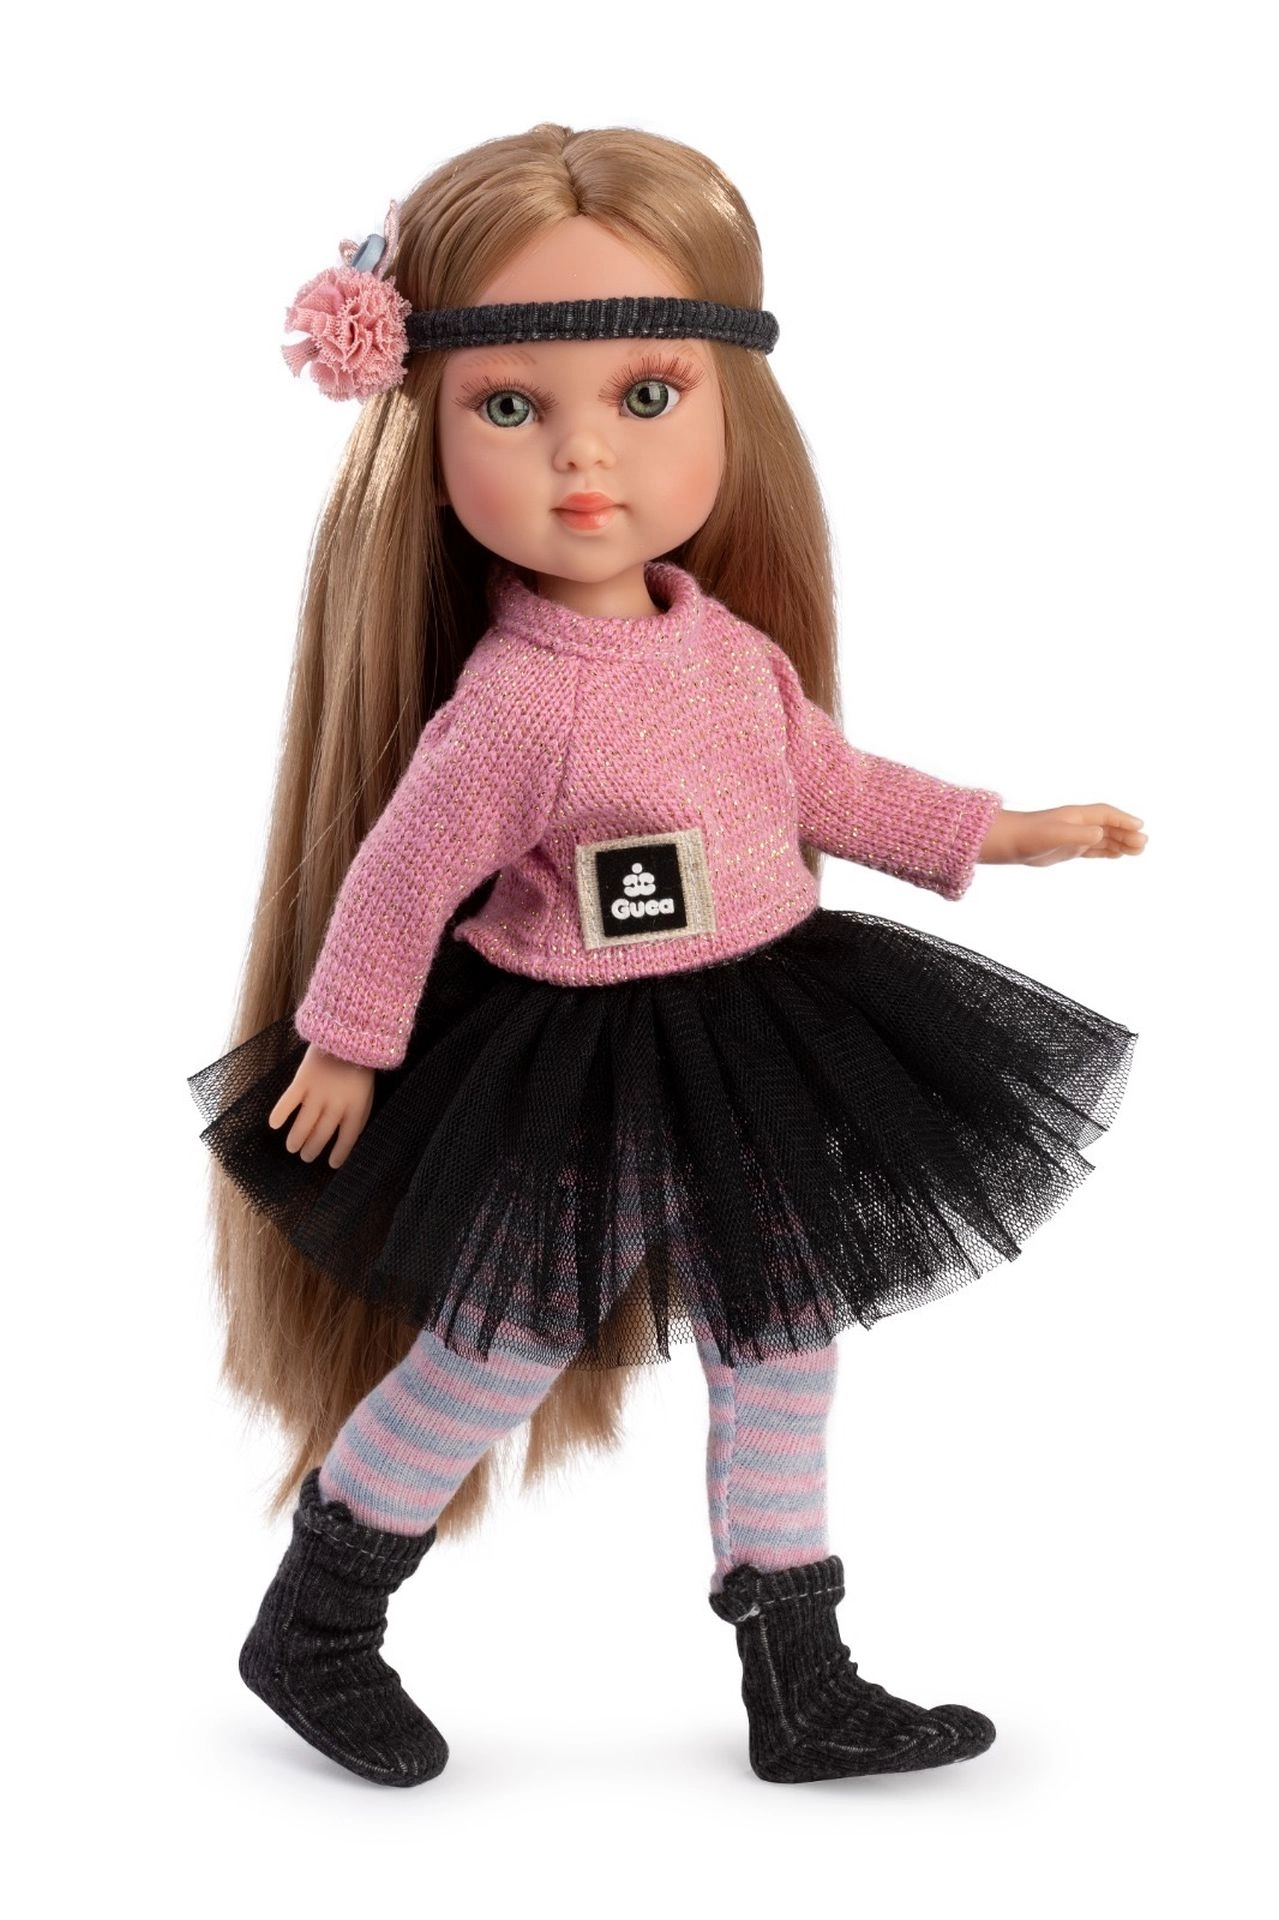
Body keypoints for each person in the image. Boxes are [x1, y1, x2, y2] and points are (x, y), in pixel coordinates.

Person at [188, 123, 1144, 1790]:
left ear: (727, 409)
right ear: (425, 427)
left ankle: (800, 1673)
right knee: (499, 1343)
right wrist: (347, 1040)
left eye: (644, 397)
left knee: (786, 1341)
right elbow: (400, 877)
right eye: (509, 408)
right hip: (576, 1058)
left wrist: (1004, 830)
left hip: (757, 1028)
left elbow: (827, 784)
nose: (584, 458)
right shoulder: (515, 702)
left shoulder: (725, 647)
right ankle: (319, 1621)